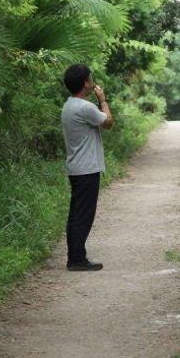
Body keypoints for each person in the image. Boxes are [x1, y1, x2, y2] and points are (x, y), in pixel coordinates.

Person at [60, 63, 113, 271]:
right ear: (85, 83)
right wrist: (102, 99)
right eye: (90, 79)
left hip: (76, 167)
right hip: (87, 168)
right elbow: (108, 122)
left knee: (77, 213)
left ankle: (76, 255)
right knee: (83, 214)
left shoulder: (69, 105)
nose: (92, 83)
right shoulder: (85, 107)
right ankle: (76, 259)